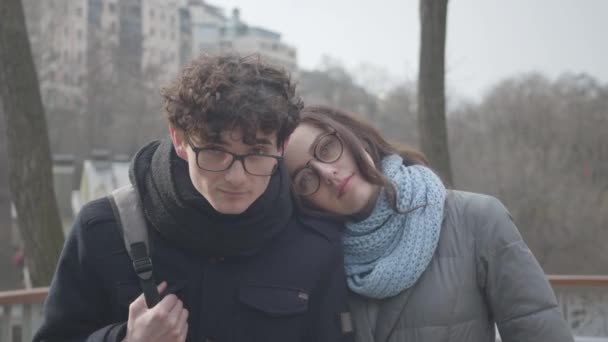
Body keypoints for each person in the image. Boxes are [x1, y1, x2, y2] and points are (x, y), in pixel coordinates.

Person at [34, 56, 354, 342]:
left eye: (256, 152)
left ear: (281, 146)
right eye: (215, 151)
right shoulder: (103, 229)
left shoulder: (316, 244)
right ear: (179, 139)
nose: (236, 177)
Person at [282, 105, 574, 342]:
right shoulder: (320, 258)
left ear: (354, 136)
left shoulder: (477, 219)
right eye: (306, 179)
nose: (328, 173)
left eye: (327, 148)